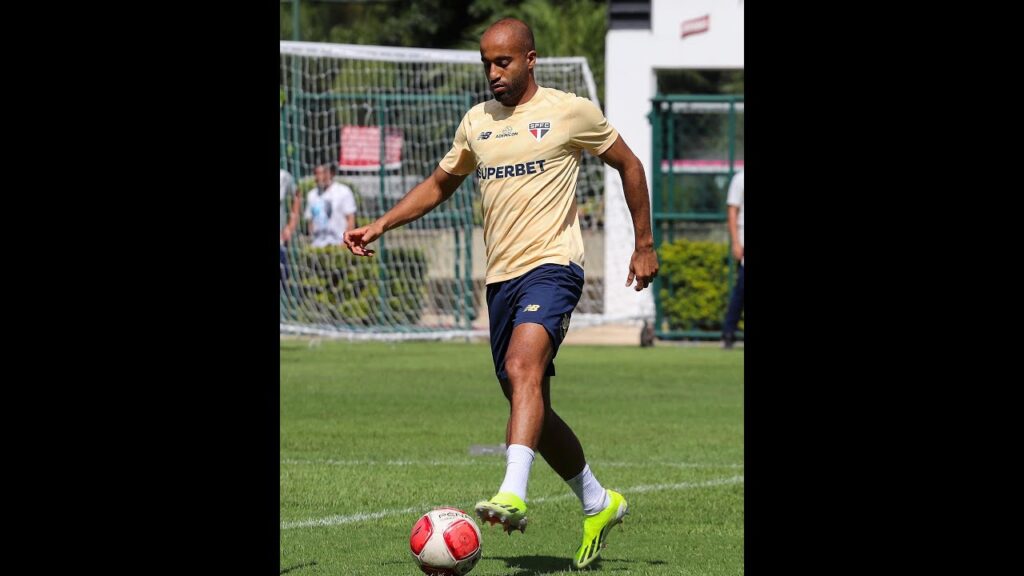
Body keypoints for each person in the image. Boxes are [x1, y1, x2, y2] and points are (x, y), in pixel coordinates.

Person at [343, 18, 658, 569]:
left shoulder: (571, 111)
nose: (493, 72)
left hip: (554, 268)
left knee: (521, 366)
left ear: (530, 59)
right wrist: (382, 223)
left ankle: (512, 492)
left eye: (503, 62)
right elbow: (442, 183)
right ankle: (597, 500)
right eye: (486, 62)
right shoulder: (477, 122)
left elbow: (629, 164)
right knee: (528, 402)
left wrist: (644, 244)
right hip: (501, 281)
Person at [305, 163, 357, 248]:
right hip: (317, 245)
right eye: (316, 173)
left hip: (338, 243)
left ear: (331, 174)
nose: (319, 177)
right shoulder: (311, 195)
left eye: (322, 173)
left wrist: (346, 243)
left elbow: (350, 219)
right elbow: (310, 221)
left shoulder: (343, 191)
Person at [722, 170, 744, 348]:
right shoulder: (740, 179)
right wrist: (736, 242)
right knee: (742, 290)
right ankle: (729, 332)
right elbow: (732, 211)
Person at [280, 168, 301, 288]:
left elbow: (297, 194)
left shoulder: (283, 176)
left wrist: (291, 225)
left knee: (284, 276)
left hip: (280, 240)